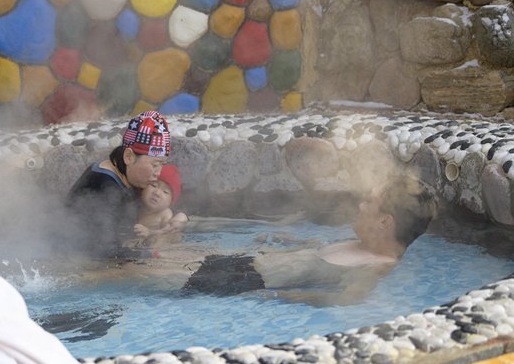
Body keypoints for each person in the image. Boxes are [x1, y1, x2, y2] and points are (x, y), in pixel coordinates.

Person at [182, 175, 437, 306]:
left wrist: (277, 295)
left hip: (240, 281)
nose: (360, 205)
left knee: (145, 271)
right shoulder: (362, 245)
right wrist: (291, 241)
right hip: (241, 265)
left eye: (369, 201)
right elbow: (319, 256)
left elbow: (347, 299)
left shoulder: (376, 264)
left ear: (385, 221)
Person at [63, 110, 171, 258]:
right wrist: (152, 256)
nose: (158, 173)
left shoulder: (125, 178)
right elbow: (106, 253)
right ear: (129, 157)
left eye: (162, 165)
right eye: (155, 164)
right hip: (70, 260)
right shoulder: (104, 185)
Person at [133, 164, 189, 248]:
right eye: (153, 185)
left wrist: (150, 232)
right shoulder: (135, 207)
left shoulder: (165, 214)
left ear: (171, 202)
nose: (157, 193)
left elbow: (168, 233)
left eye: (165, 192)